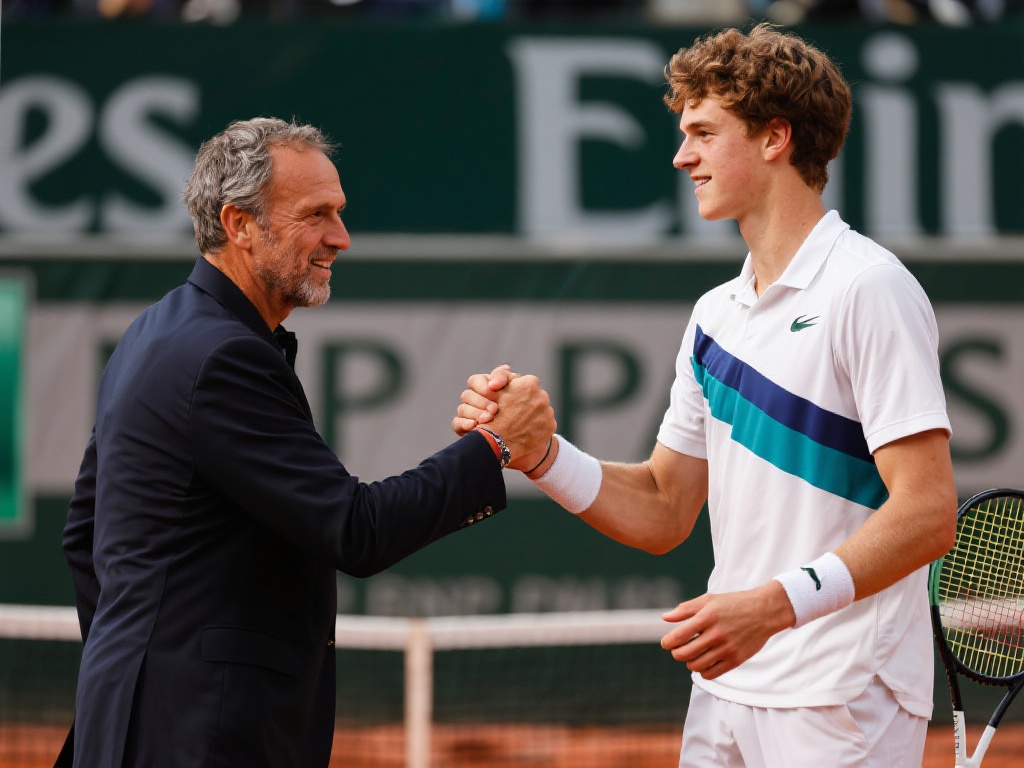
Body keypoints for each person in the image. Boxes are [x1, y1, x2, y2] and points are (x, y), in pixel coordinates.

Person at [456, 23, 957, 768]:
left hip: (842, 695)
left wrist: (774, 606)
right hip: (726, 692)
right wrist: (541, 456)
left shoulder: (868, 287)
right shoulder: (715, 315)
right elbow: (664, 508)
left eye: (703, 132)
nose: (681, 156)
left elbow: (927, 512)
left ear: (774, 138)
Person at [57, 116, 555, 768]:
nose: (340, 237)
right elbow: (357, 530)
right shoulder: (222, 356)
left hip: (141, 723)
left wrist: (130, 673)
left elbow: (84, 536)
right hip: (199, 737)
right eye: (316, 215)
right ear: (239, 225)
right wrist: (496, 445)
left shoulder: (155, 332)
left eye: (339, 213)